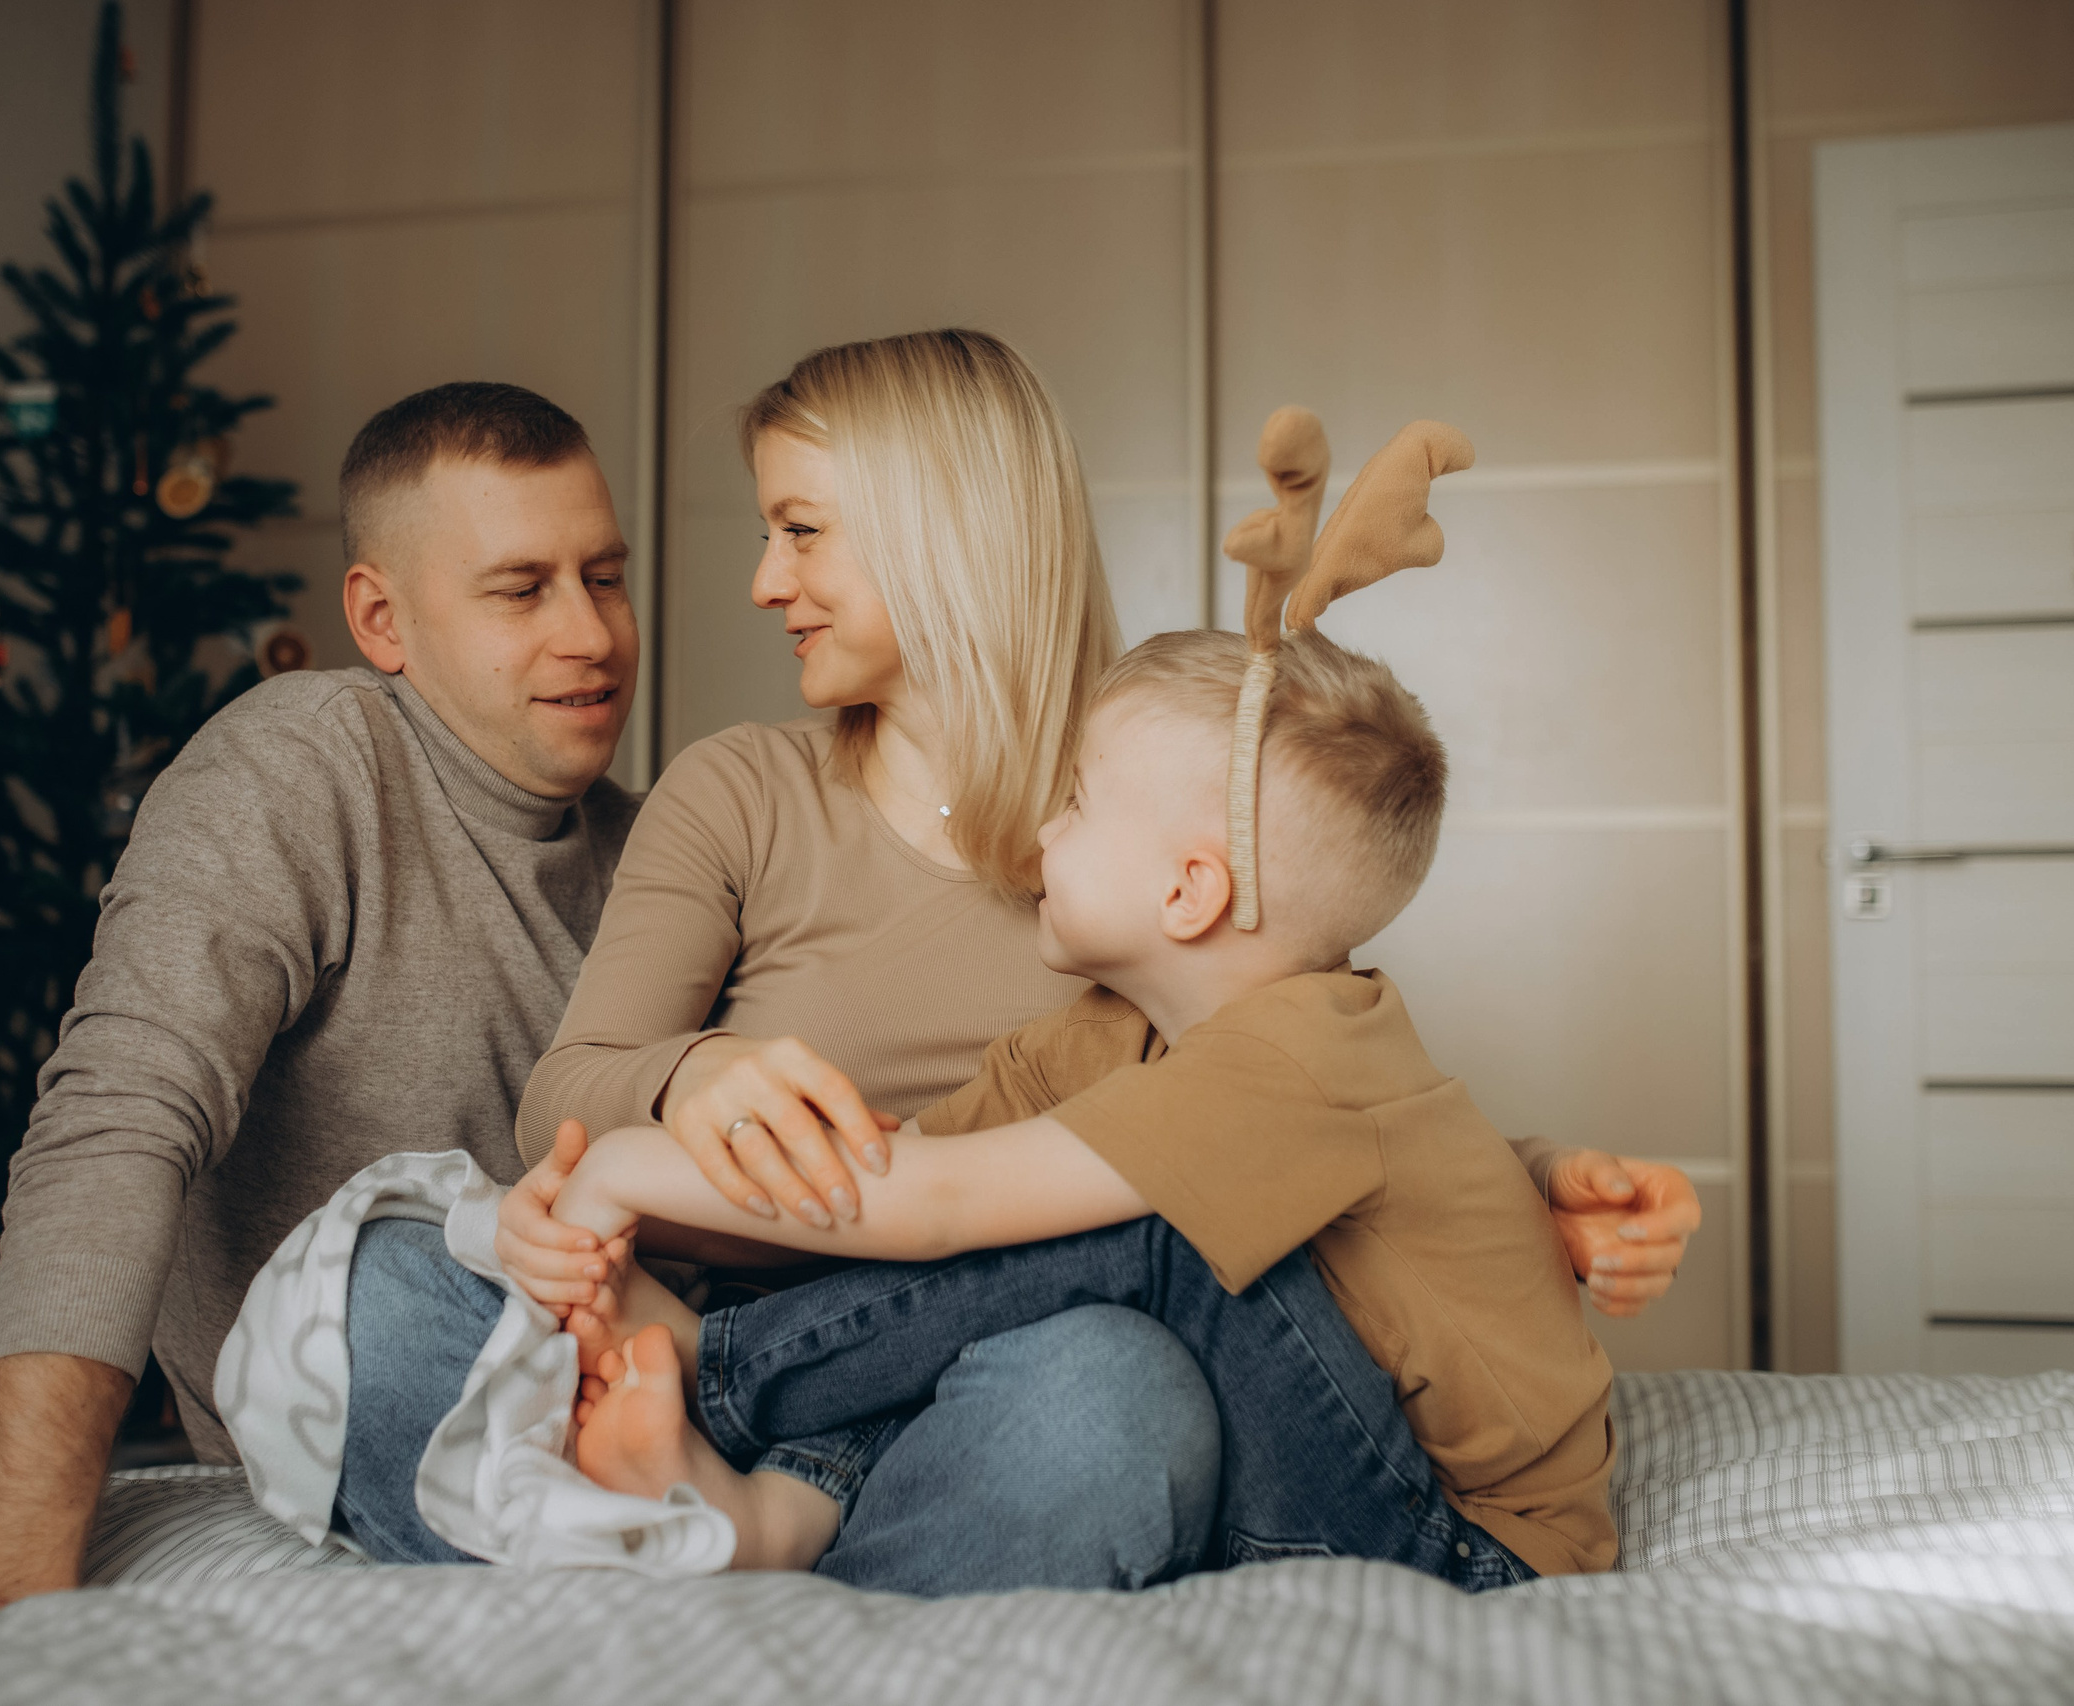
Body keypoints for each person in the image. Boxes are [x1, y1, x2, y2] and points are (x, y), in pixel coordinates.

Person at [348, 331, 1701, 1595]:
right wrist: (689, 1093)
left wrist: (1523, 1185)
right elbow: (614, 1114)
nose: (765, 579)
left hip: (998, 1384)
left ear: (937, 535)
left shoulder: (1153, 787)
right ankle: (748, 1518)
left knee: (1113, 1370)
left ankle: (733, 1502)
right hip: (817, 1319)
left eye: (802, 531)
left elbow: (1282, 1120)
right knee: (386, 1277)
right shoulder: (756, 793)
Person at [544, 621, 1617, 1590]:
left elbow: (941, 1200)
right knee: (995, 1260)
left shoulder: (1300, 1056)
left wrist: (617, 1173)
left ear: (1186, 892)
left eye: (1077, 802)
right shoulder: (1107, 1034)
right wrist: (653, 1212)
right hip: (1313, 1452)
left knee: (1156, 1231)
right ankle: (784, 1502)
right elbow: (895, 1174)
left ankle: (725, 1375)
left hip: (1467, 1545)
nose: (1040, 832)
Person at [0, 382, 643, 1609]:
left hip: (642, 1404)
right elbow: (117, 1121)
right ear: (381, 619)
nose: (592, 634)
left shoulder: (655, 849)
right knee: (386, 1287)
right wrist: (4, 1579)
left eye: (604, 576)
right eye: (521, 587)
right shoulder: (299, 766)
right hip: (376, 1393)